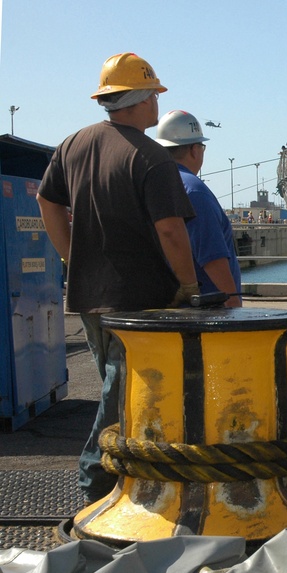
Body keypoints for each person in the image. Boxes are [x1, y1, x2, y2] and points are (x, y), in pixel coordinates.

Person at [36, 52, 200, 503]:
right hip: (141, 302)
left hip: (89, 296)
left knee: (124, 393)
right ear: (144, 100)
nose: (157, 105)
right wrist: (189, 287)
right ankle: (95, 485)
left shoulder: (72, 145)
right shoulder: (151, 158)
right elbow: (171, 230)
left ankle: (129, 483)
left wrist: (71, 256)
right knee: (121, 395)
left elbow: (48, 203)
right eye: (155, 97)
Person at [156, 110, 242, 308]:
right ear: (195, 150)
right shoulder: (194, 191)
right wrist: (234, 303)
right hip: (208, 310)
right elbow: (212, 256)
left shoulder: (156, 184)